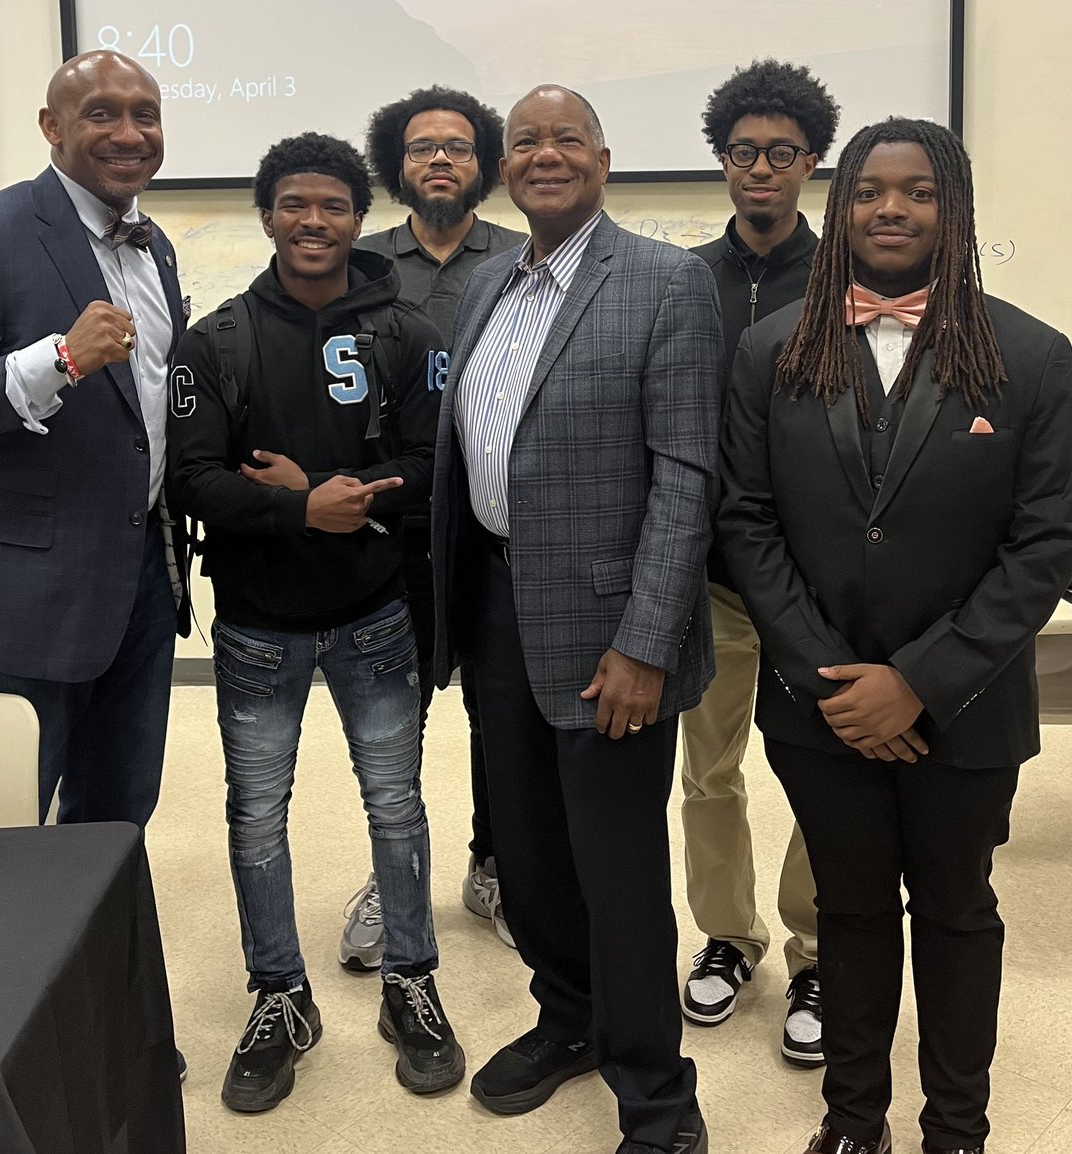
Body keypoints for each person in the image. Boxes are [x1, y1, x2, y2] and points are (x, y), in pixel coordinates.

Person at [717, 117, 1072, 1154]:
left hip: (966, 711)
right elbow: (744, 517)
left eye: (918, 191)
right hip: (817, 703)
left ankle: (957, 1128)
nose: (892, 208)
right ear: (840, 206)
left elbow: (1044, 544)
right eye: (872, 190)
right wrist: (836, 678)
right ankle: (852, 1122)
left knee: (959, 910)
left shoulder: (1031, 354)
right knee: (852, 911)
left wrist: (918, 682)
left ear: (952, 206)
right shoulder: (768, 350)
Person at [432, 85, 722, 1154]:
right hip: (499, 611)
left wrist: (648, 641)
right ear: (504, 168)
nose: (544, 154)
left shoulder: (665, 280)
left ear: (603, 157)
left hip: (612, 630)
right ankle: (571, 1018)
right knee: (527, 849)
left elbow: (687, 474)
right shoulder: (485, 289)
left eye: (566, 138)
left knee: (617, 866)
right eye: (525, 141)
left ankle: (656, 1093)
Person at [166, 132, 464, 1114]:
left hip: (378, 615)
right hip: (256, 626)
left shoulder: (410, 332)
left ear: (355, 218)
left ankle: (410, 979)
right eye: (294, 204)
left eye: (332, 206)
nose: (312, 221)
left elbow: (437, 466)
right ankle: (280, 995)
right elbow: (193, 476)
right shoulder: (215, 339)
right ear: (267, 216)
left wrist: (354, 500)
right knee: (256, 817)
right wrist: (298, 510)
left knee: (396, 805)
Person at [0, 51, 189, 829]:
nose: (129, 133)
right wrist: (54, 361)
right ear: (52, 127)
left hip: (140, 587)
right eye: (102, 113)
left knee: (116, 817)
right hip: (19, 595)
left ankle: (99, 956)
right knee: (2, 830)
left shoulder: (155, 246)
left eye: (145, 114)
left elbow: (145, 409)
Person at [337, 86, 527, 968]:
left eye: (457, 146)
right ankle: (393, 871)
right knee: (393, 716)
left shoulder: (529, 260)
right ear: (397, 165)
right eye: (422, 148)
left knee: (502, 713)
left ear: (486, 164)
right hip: (390, 527)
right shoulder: (355, 264)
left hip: (496, 531)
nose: (440, 159)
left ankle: (497, 866)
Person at [678, 59, 839, 1065]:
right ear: (724, 163)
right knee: (708, 772)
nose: (762, 170)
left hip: (819, 582)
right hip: (711, 580)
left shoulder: (844, 281)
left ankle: (818, 947)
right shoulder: (684, 280)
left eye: (782, 153)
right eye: (745, 153)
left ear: (812, 163)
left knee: (822, 772)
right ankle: (728, 937)